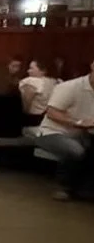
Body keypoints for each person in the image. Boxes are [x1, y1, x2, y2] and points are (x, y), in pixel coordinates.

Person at [34, 59, 94, 201]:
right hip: (52, 132)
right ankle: (64, 187)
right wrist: (78, 123)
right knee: (75, 150)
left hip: (83, 133)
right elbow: (52, 112)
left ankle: (86, 188)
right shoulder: (70, 87)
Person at [18, 59, 58, 125]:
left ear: (43, 71)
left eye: (31, 68)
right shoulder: (55, 82)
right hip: (45, 118)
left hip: (31, 118)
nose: (28, 71)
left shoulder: (31, 81)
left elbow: (26, 103)